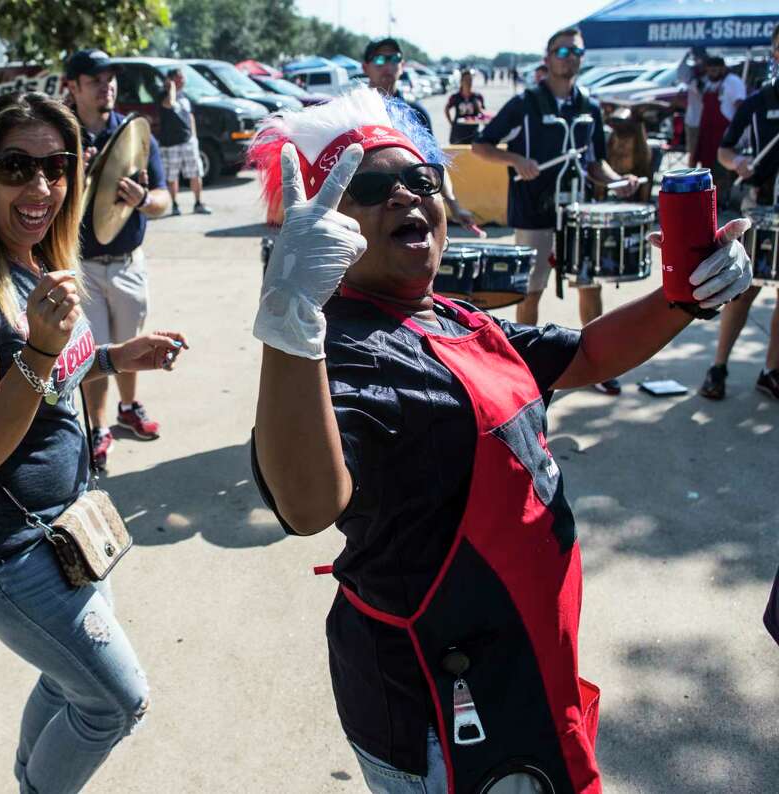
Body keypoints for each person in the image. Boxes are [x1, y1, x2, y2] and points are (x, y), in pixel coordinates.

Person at [248, 87, 752, 794]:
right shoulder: (346, 347)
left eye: (420, 179)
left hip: (520, 659)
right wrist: (292, 321)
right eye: (369, 186)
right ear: (327, 224)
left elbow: (590, 356)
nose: (404, 195)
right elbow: (306, 507)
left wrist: (682, 298)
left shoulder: (452, 315)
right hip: (440, 703)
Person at [0, 91, 187, 794]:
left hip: (64, 525)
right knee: (114, 702)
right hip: (6, 551)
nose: (40, 187)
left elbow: (51, 371)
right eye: (16, 166)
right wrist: (40, 347)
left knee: (72, 683)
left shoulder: (31, 257)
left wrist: (118, 356)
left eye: (56, 166)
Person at [473, 27, 641, 394]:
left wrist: (618, 181)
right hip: (535, 210)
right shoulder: (525, 104)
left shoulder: (589, 107)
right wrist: (516, 159)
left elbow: (596, 164)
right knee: (531, 291)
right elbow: (481, 146)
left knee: (589, 286)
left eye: (576, 51)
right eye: (562, 51)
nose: (569, 57)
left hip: (577, 210)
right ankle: (528, 368)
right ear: (547, 58)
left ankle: (596, 364)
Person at [63, 49, 172, 468]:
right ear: (72, 86)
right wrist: (73, 174)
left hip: (127, 262)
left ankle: (129, 408)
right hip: (83, 266)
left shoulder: (136, 136)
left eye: (110, 79)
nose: (106, 86)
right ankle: (99, 426)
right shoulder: (60, 137)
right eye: (95, 80)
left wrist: (144, 198)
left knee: (132, 345)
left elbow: (163, 199)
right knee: (95, 352)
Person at [702, 25, 779, 400]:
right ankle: (718, 367)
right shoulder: (758, 103)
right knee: (745, 289)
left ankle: (771, 370)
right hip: (761, 206)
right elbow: (724, 150)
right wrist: (740, 161)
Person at [363, 38, 478, 231]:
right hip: (367, 211)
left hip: (410, 210)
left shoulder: (415, 113)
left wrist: (454, 206)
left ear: (402, 65)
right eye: (380, 59)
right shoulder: (355, 110)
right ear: (365, 67)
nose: (388, 65)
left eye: (394, 58)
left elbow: (434, 164)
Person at [692, 56, 747, 209]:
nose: (712, 73)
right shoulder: (709, 83)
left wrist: (740, 133)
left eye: (715, 70)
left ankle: (722, 202)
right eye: (710, 70)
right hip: (707, 134)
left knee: (722, 170)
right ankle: (708, 202)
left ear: (723, 68)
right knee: (707, 170)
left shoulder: (732, 82)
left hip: (724, 135)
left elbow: (741, 106)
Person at [159, 67, 211, 216]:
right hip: (170, 144)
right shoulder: (163, 95)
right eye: (178, 78)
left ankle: (198, 203)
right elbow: (169, 103)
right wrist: (171, 88)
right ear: (170, 80)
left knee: (196, 173)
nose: (182, 80)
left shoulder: (185, 97)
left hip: (188, 141)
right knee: (172, 176)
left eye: (182, 77)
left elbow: (190, 117)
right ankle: (175, 205)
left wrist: (194, 137)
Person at [444, 69, 485, 144]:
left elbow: (483, 114)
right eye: (466, 80)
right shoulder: (455, 97)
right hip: (458, 133)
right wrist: (451, 123)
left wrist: (479, 108)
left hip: (473, 133)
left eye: (470, 80)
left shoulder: (478, 97)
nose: (468, 82)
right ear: (461, 82)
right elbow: (446, 109)